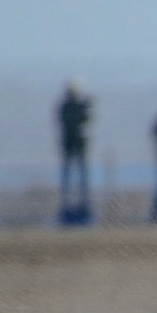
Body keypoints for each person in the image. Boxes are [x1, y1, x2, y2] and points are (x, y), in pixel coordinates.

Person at [57, 80, 93, 222]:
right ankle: (66, 206)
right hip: (69, 145)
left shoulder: (81, 105)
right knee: (68, 178)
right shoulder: (65, 106)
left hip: (80, 145)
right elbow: (66, 121)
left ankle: (84, 205)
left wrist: (87, 107)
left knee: (82, 177)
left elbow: (87, 120)